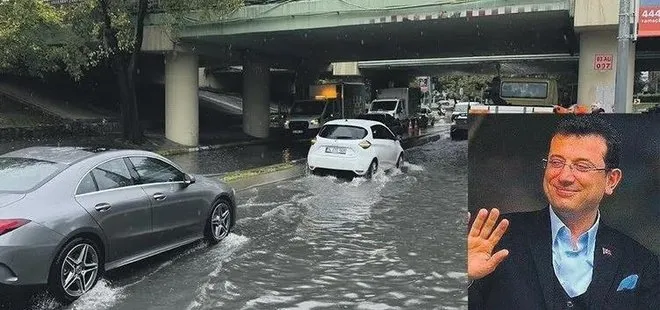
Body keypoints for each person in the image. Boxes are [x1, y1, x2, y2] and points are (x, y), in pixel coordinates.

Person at [467, 115, 660, 309]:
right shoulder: (492, 239)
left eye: (582, 166)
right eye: (556, 162)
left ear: (611, 180)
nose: (565, 176)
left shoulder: (640, 261)